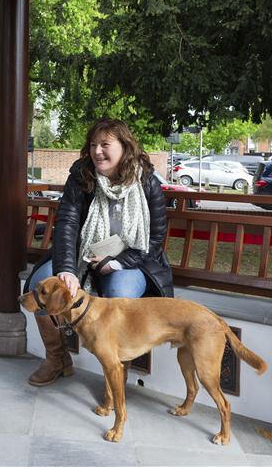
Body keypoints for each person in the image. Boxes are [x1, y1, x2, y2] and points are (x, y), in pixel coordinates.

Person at [22, 117, 174, 386]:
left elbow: (155, 238)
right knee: (38, 285)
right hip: (82, 254)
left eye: (105, 144)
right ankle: (57, 359)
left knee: (121, 294)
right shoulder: (82, 176)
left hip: (132, 261)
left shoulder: (147, 181)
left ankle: (117, 371)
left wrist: (116, 263)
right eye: (93, 145)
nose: (97, 151)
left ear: (125, 147)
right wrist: (67, 269)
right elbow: (67, 224)